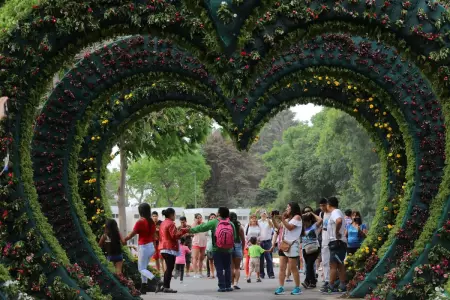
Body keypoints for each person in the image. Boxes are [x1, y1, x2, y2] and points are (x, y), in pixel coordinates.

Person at [189, 207, 238, 292]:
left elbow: (202, 227)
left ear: (218, 213)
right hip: (228, 250)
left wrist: (189, 230)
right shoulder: (231, 223)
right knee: (228, 268)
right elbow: (235, 237)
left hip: (217, 249)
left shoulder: (214, 222)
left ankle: (222, 286)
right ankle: (228, 286)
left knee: (219, 268)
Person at [124, 203, 163, 294]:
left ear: (140, 211)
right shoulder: (151, 222)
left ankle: (157, 280)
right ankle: (143, 287)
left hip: (144, 247)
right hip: (151, 247)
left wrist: (124, 240)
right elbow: (154, 236)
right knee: (144, 268)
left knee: (141, 269)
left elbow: (131, 234)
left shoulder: (140, 222)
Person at [271, 202, 303, 296]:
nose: (286, 208)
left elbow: (290, 228)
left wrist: (283, 219)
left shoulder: (297, 217)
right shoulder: (287, 218)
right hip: (283, 244)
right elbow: (279, 227)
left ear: (293, 208)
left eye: (288, 207)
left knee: (293, 267)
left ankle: (297, 287)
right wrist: (273, 218)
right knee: (282, 267)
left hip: (293, 244)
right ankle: (281, 287)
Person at [159, 208, 189, 293]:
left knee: (168, 268)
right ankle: (166, 287)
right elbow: (174, 236)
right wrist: (183, 231)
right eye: (174, 214)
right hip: (169, 248)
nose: (175, 216)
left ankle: (164, 285)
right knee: (170, 268)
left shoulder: (163, 223)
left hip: (163, 248)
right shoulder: (171, 223)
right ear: (171, 215)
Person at [321, 197, 347, 294]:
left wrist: (336, 233)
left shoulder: (335, 212)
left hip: (337, 242)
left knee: (333, 265)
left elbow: (339, 221)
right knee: (340, 265)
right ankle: (342, 285)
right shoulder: (337, 211)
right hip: (338, 242)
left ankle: (331, 285)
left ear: (328, 204)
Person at [301, 211, 322, 289]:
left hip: (314, 249)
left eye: (306, 222)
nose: (305, 224)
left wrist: (312, 213)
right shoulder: (301, 228)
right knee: (308, 266)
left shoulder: (314, 227)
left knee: (309, 265)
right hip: (305, 249)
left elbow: (320, 220)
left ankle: (309, 281)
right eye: (303, 222)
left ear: (310, 221)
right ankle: (311, 281)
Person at [257, 209, 275, 279]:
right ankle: (261, 273)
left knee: (269, 258)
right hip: (260, 242)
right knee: (261, 258)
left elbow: (272, 226)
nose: (264, 214)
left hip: (268, 241)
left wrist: (267, 218)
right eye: (262, 213)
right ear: (260, 214)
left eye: (265, 213)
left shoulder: (269, 221)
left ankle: (270, 273)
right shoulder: (258, 222)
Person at [230, 212, 245, 289]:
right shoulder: (239, 227)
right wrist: (242, 249)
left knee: (231, 267)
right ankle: (236, 283)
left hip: (229, 246)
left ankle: (231, 283)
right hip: (238, 245)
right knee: (237, 267)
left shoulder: (228, 225)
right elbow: (243, 239)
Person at [244, 215, 261, 281]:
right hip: (248, 244)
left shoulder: (258, 226)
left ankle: (257, 276)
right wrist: (249, 242)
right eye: (252, 218)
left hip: (256, 244)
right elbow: (245, 235)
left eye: (255, 218)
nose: (254, 219)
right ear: (250, 219)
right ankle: (247, 274)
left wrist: (257, 241)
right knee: (248, 260)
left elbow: (260, 235)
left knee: (257, 260)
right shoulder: (247, 226)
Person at [319, 198, 331, 287]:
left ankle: (333, 279)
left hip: (333, 240)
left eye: (323, 205)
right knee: (325, 261)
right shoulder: (322, 214)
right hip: (324, 240)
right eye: (320, 206)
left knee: (333, 261)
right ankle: (327, 279)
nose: (322, 207)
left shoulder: (332, 213)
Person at [191, 213, 208, 278]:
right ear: (195, 218)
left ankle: (200, 272)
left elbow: (206, 232)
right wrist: (195, 222)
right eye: (197, 218)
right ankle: (196, 273)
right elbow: (193, 231)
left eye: (200, 217)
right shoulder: (194, 224)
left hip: (203, 243)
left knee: (201, 258)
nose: (199, 219)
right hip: (196, 243)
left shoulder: (204, 224)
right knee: (195, 258)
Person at [206, 213, 217, 279]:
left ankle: (218, 273)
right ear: (209, 219)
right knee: (210, 261)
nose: (212, 218)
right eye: (211, 217)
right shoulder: (208, 227)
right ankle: (212, 274)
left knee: (217, 261)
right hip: (209, 246)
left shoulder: (218, 226)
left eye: (214, 217)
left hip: (216, 246)